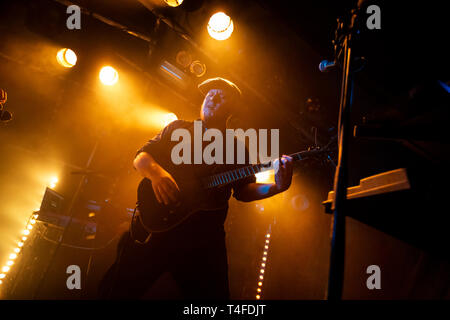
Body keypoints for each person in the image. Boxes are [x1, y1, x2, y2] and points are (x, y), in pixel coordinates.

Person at [99, 77, 293, 299]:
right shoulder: (177, 128)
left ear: (232, 108)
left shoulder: (237, 148)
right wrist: (157, 174)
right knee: (115, 292)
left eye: (221, 95)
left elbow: (244, 190)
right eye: (210, 93)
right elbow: (140, 157)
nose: (213, 96)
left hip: (203, 242)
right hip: (155, 228)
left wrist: (277, 187)